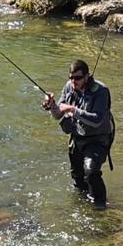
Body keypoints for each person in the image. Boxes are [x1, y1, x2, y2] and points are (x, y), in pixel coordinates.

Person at [42, 59, 113, 209]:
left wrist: (73, 110)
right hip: (77, 137)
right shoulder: (69, 87)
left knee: (91, 172)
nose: (74, 81)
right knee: (78, 178)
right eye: (71, 78)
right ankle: (83, 207)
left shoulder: (101, 91)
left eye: (78, 78)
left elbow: (97, 120)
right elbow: (58, 114)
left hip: (97, 139)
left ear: (87, 76)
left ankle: (101, 207)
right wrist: (52, 105)